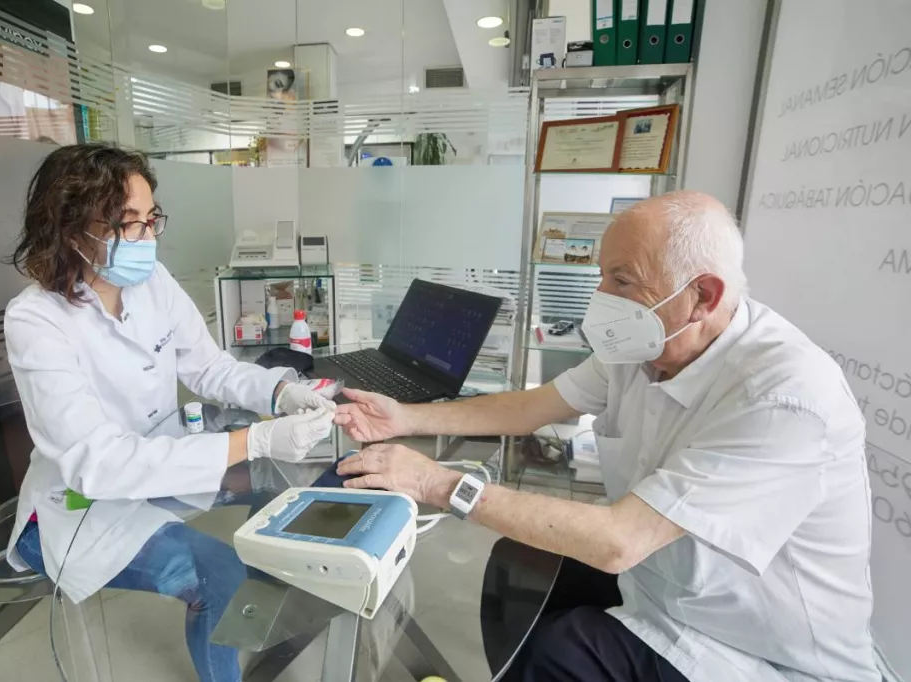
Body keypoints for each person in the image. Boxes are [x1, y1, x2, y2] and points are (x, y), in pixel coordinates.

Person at [333, 191, 879, 682]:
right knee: (519, 566)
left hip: (755, 651)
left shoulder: (787, 395)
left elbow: (620, 541)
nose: (601, 296)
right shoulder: (645, 345)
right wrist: (406, 417)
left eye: (622, 280)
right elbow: (532, 407)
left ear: (702, 296)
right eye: (602, 275)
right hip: (667, 590)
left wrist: (436, 482)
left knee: (561, 651)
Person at [3, 143, 335, 682]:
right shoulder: (35, 321)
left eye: (150, 218)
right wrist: (254, 441)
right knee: (216, 570)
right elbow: (100, 464)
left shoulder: (150, 282)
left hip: (160, 467)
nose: (148, 237)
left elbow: (209, 368)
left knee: (288, 486)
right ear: (70, 230)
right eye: (126, 223)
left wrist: (281, 393)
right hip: (82, 505)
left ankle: (259, 614)